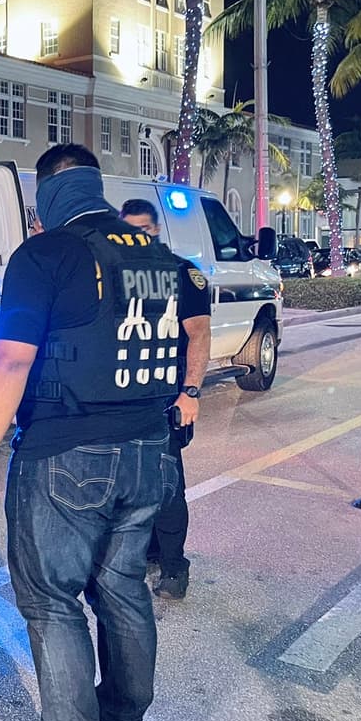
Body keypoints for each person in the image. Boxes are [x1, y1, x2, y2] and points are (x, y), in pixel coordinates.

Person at [0, 145, 184, 721]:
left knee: (52, 602)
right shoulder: (156, 254)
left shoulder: (47, 253)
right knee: (122, 591)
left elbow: (9, 359)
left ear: (47, 196)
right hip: (150, 450)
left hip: (69, 453)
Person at [120, 198, 211, 600]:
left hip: (166, 397)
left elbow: (199, 334)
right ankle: (147, 551)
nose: (134, 238)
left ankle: (174, 567)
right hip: (124, 398)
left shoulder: (182, 273)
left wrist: (190, 392)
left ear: (156, 230)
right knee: (126, 484)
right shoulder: (114, 274)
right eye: (127, 231)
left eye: (142, 229)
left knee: (167, 486)